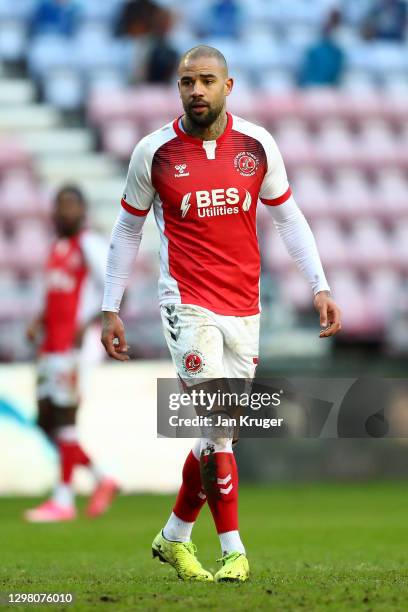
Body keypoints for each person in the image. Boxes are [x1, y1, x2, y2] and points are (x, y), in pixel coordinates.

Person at [101, 46, 341, 582]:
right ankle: (234, 550)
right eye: (187, 82)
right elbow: (127, 230)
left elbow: (289, 217)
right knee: (217, 423)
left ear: (228, 87)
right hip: (186, 303)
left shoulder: (257, 145)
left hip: (244, 307)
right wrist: (109, 307)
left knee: (220, 433)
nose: (196, 91)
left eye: (207, 81)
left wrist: (320, 286)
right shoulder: (154, 152)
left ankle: (172, 538)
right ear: (178, 88)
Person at [25, 185, 118, 522]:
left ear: (83, 212)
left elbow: (114, 287)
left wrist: (90, 322)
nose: (65, 212)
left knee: (64, 416)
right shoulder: (57, 248)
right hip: (52, 344)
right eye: (60, 205)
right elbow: (55, 294)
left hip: (75, 345)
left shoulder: (89, 244)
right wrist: (38, 322)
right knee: (44, 419)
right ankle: (101, 476)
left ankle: (63, 499)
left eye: (71, 206)